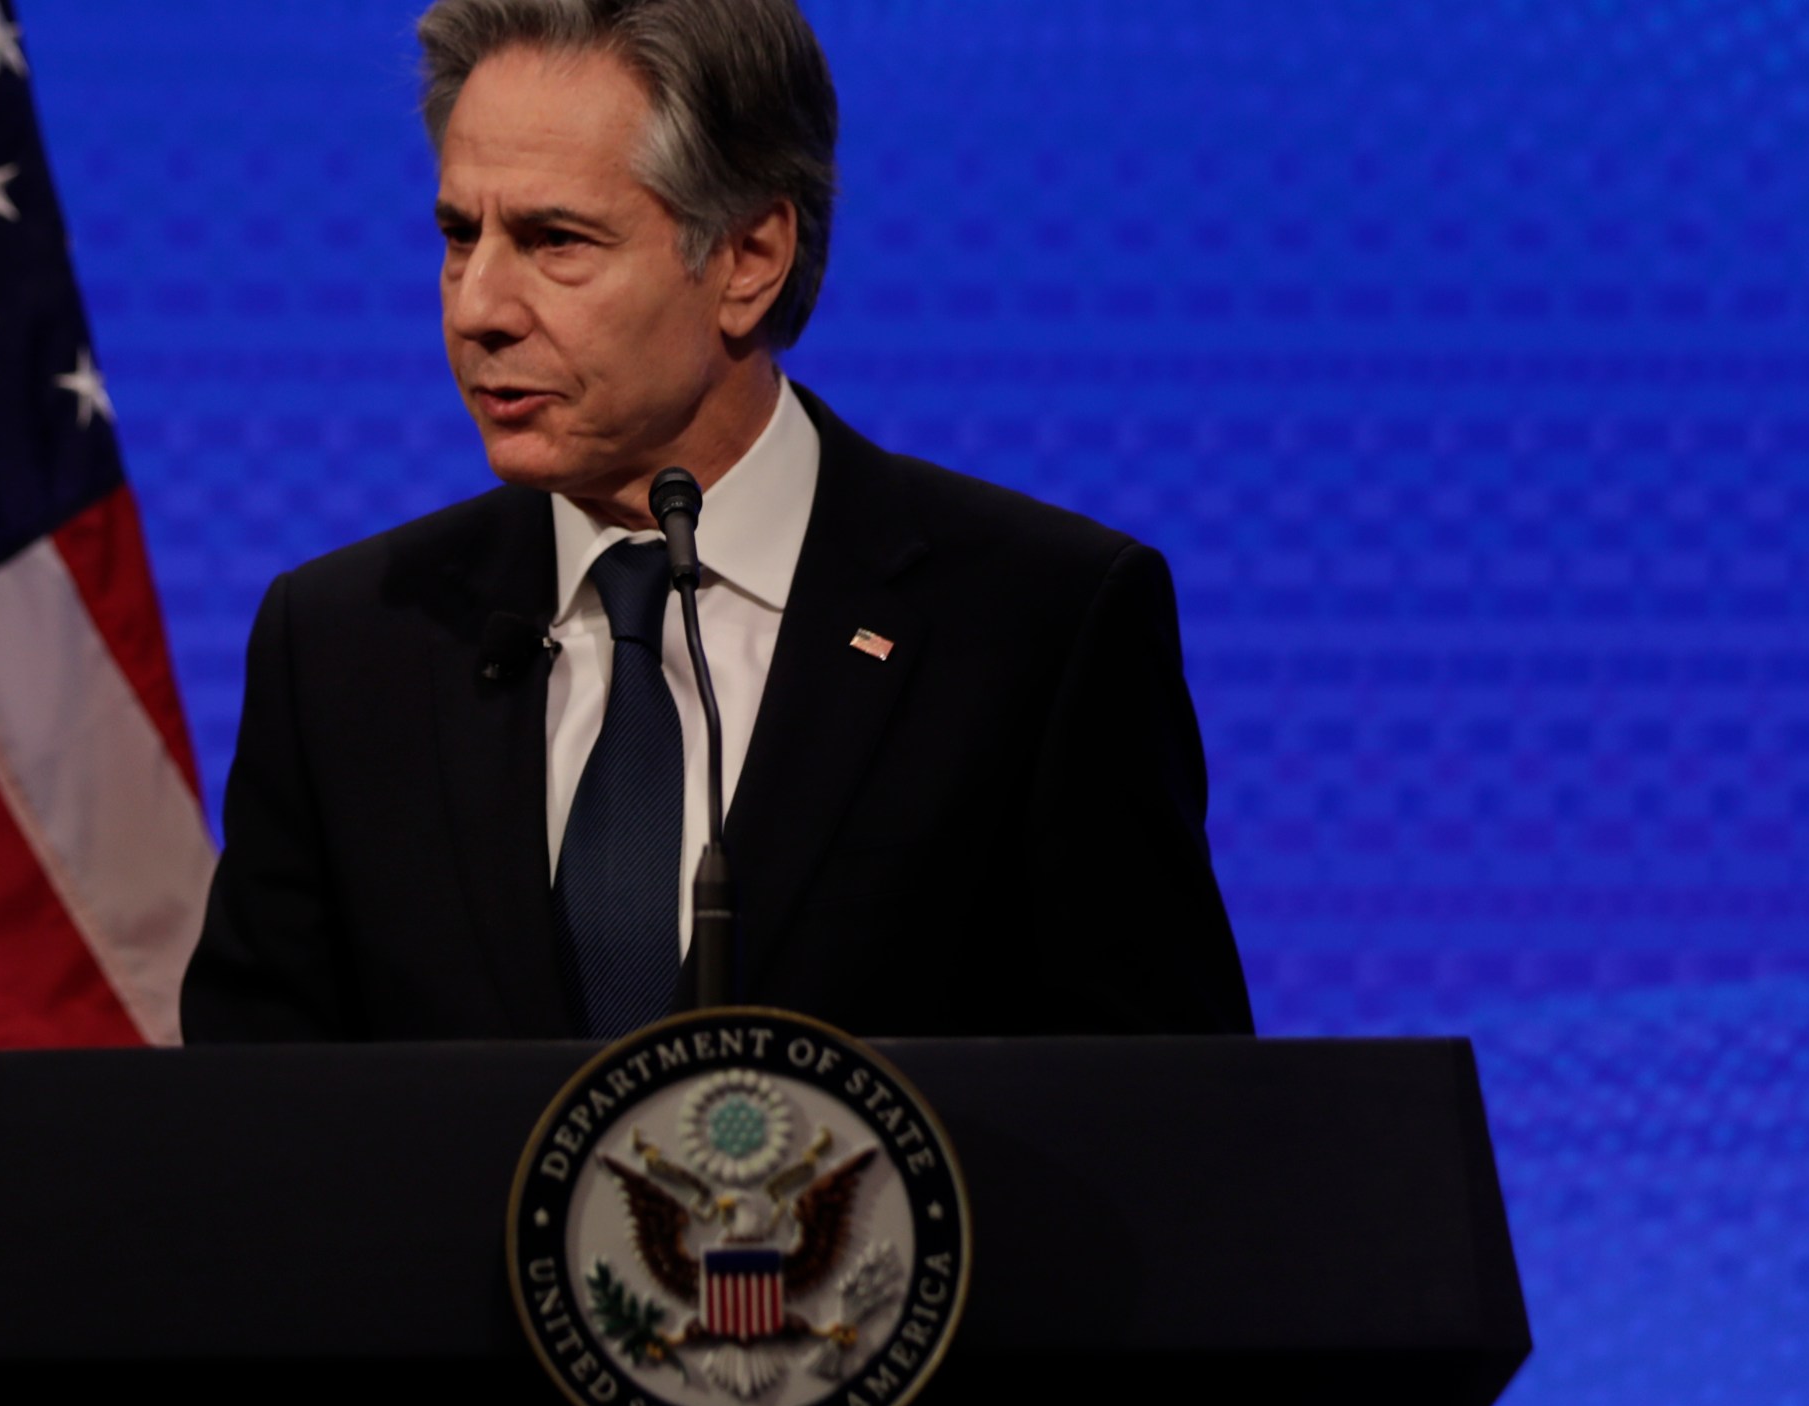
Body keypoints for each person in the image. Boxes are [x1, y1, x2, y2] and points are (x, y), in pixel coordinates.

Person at [180, 0, 1252, 1042]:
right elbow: (248, 1147)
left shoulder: (1035, 628)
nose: (478, 307)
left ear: (747, 261)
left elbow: (1167, 1139)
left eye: (555, 240)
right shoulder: (341, 646)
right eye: (462, 235)